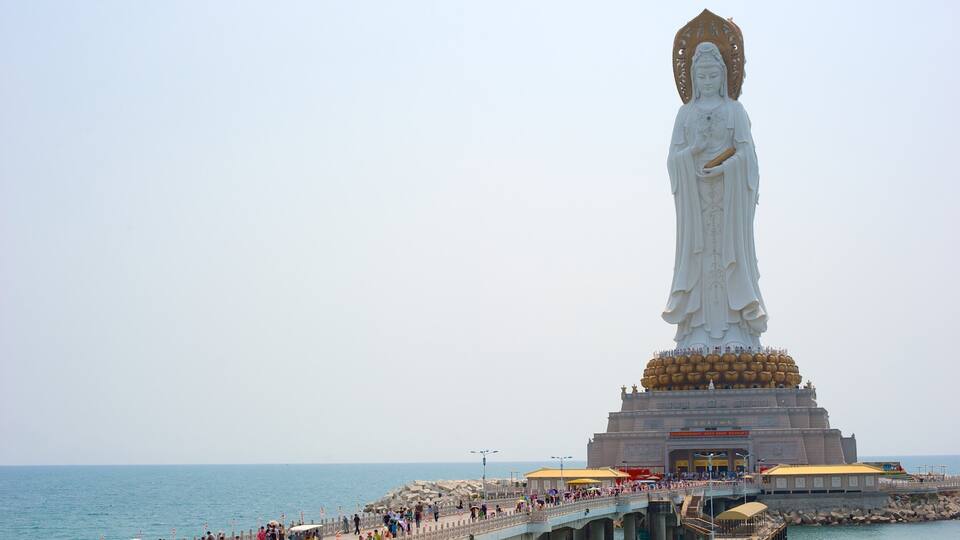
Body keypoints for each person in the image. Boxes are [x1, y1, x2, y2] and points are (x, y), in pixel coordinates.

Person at [662, 41, 767, 350]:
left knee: (729, 255)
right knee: (699, 258)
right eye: (702, 77)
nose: (707, 83)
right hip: (696, 202)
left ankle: (737, 326)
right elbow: (672, 159)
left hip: (728, 199)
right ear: (694, 79)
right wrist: (691, 152)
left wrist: (727, 167)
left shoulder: (735, 111)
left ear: (723, 76)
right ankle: (695, 331)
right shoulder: (685, 114)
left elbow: (749, 157)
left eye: (712, 76)